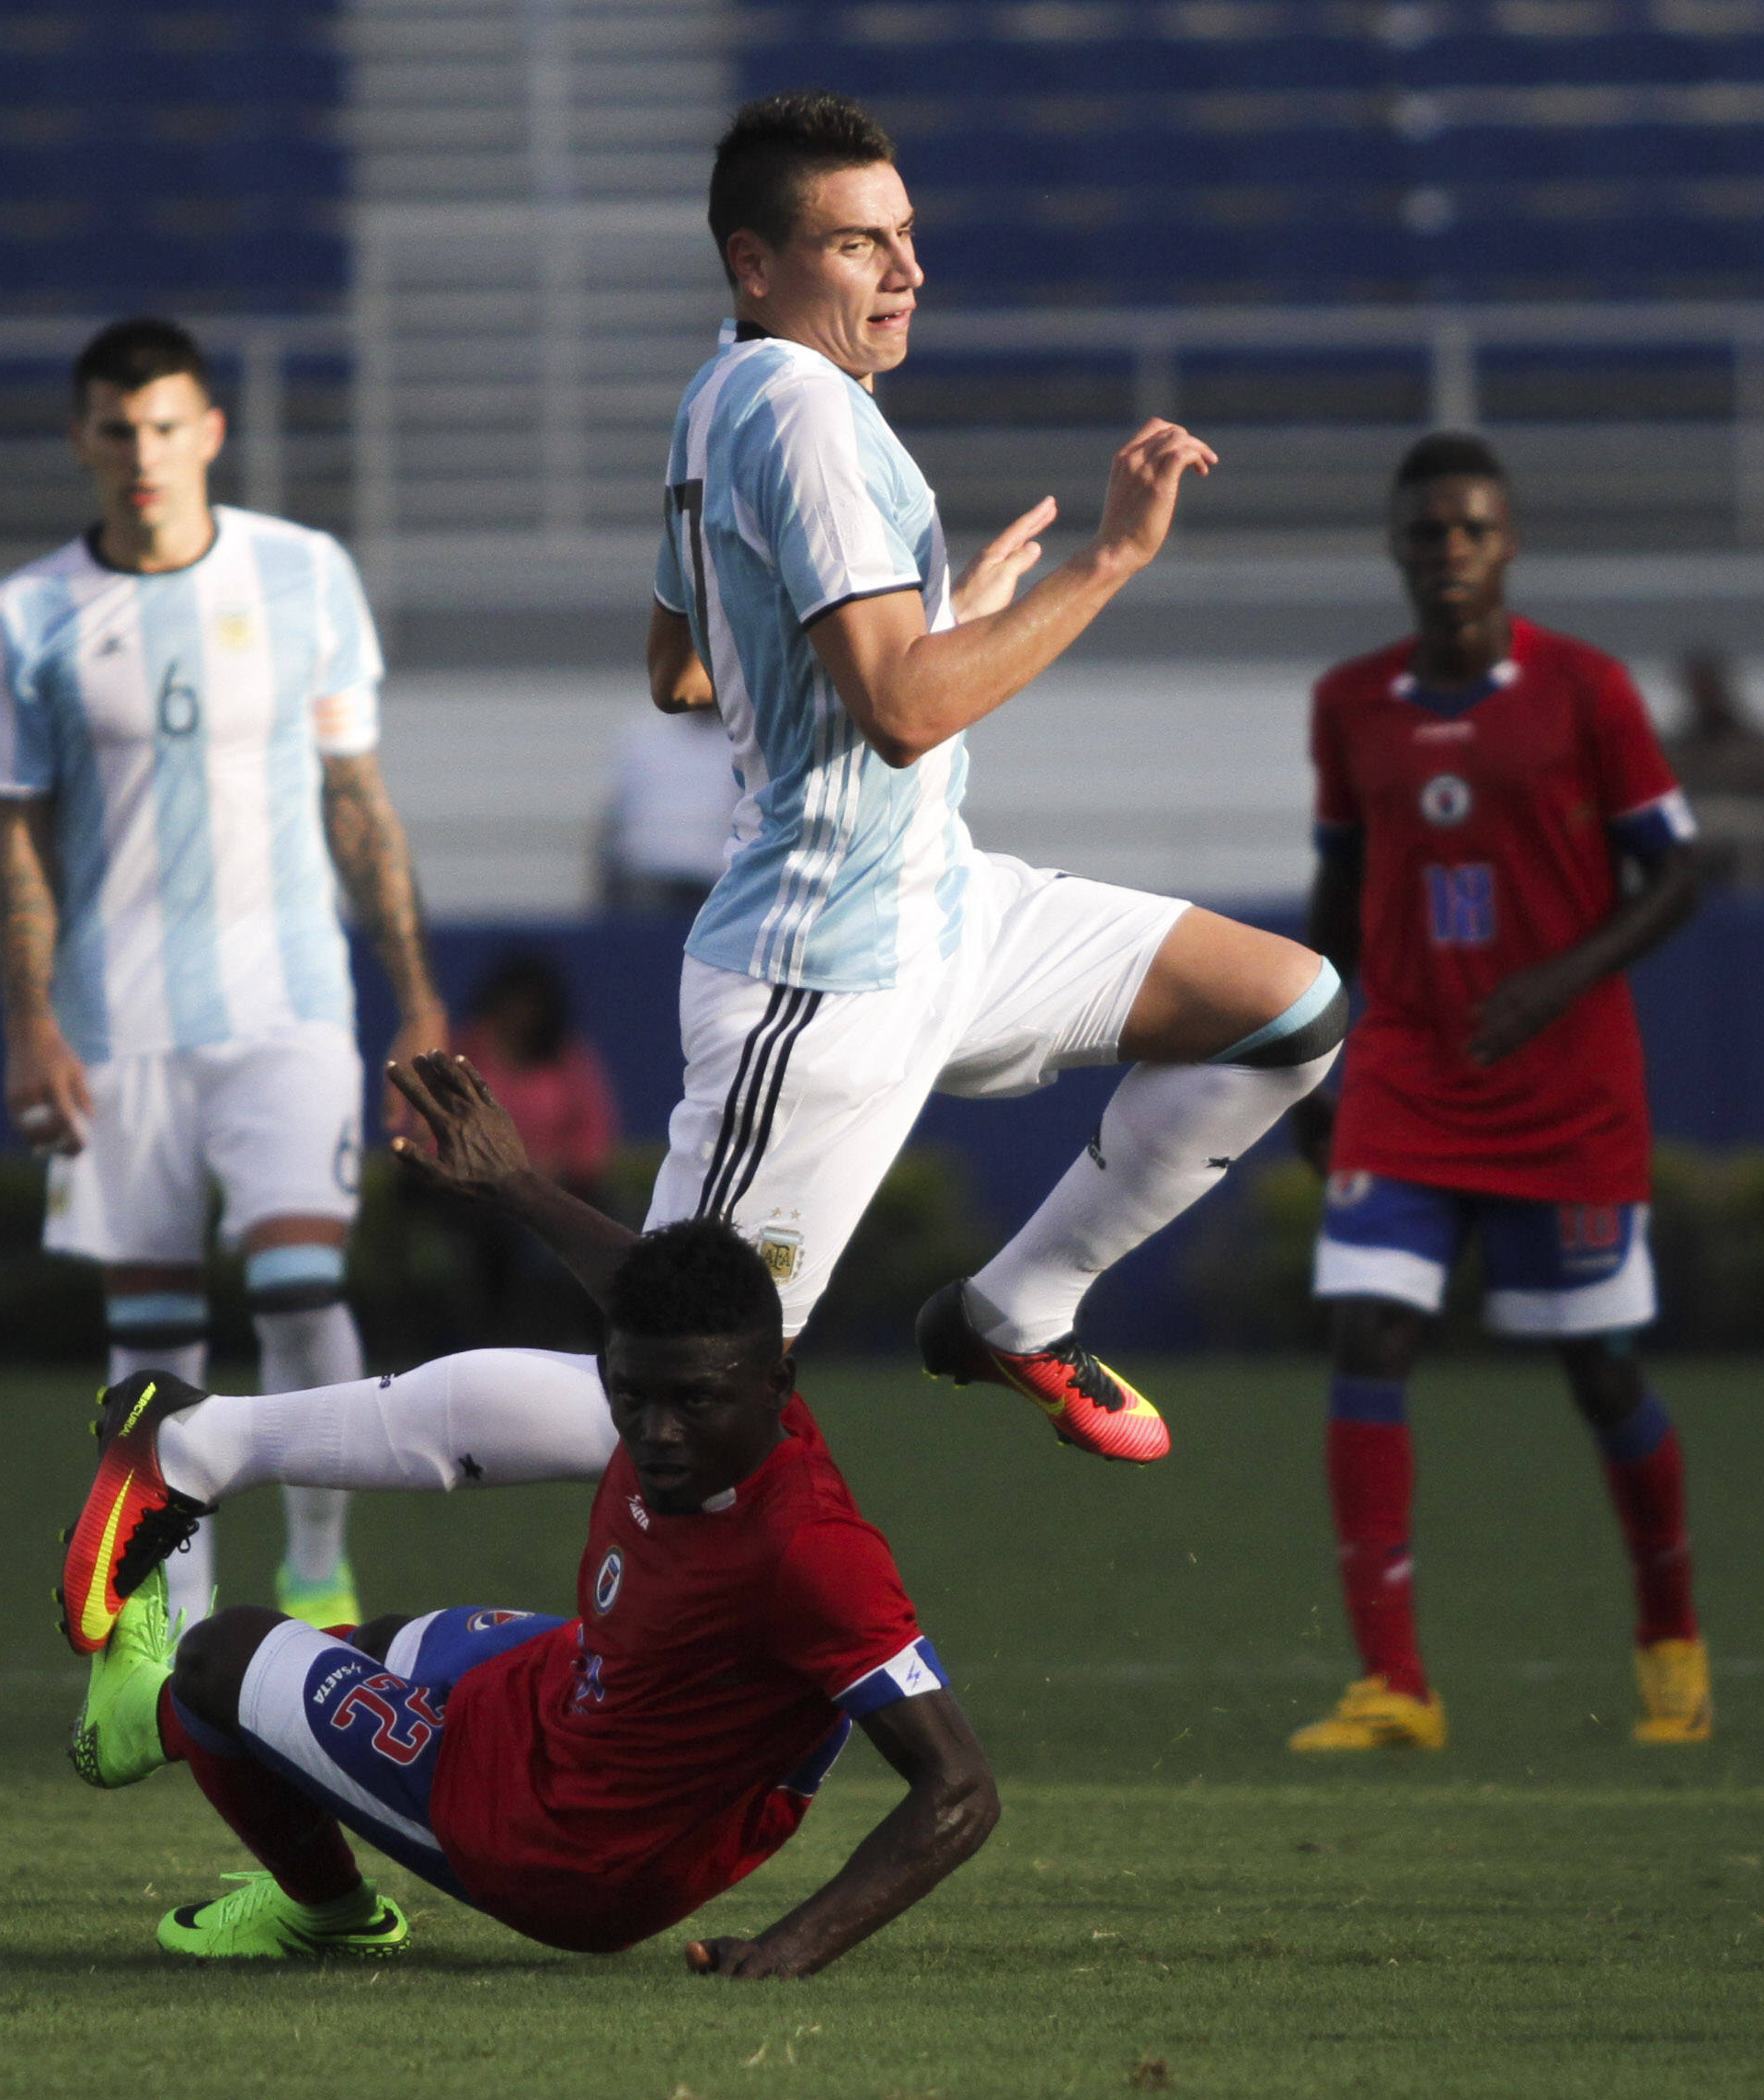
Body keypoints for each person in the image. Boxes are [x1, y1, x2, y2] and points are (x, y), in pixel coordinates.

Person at [643, 90, 1345, 1464]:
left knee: (1287, 1008)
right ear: (754, 263)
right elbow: (905, 712)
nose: (907, 270)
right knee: (677, 1378)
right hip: (824, 967)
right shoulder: (805, 414)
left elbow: (683, 666)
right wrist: (1109, 560)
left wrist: (942, 623)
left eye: (906, 234)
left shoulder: (721, 388)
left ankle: (1016, 1309)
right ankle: (225, 1445)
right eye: (859, 244)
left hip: (941, 908)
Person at [52, 1051, 997, 1978]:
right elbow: (643, 1301)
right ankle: (209, 1478)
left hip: (554, 1846)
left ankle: (315, 1899)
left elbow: (960, 1789)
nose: (656, 1433)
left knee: (218, 1656)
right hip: (578, 1694)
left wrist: (789, 1949)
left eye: (693, 1404)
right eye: (631, 1396)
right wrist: (514, 1185)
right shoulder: (713, 1376)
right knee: (373, 1646)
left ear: (773, 1387)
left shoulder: (810, 1550)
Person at [0, 316, 452, 1641]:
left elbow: (356, 797)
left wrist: (415, 995)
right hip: (114, 1022)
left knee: (299, 1286)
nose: (143, 454)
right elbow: (15, 836)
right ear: (81, 440)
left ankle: (318, 1564)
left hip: (287, 1005)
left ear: (210, 432)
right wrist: (29, 1022)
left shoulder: (304, 574)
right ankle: (177, 1616)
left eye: (166, 426)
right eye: (118, 430)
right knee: (152, 1334)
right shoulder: (29, 613)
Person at [1283, 431, 1713, 1754]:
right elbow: (1339, 893)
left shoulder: (1586, 690)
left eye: (1473, 528)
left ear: (1508, 543)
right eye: (1428, 531)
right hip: (1409, 1069)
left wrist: (1557, 980)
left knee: (1599, 1368)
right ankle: (1395, 1684)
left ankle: (1670, 1641)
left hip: (1565, 1084)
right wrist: (1304, 1056)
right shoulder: (1350, 702)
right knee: (1366, 1334)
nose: (1450, 550)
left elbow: (1678, 874)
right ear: (1396, 547)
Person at [435, 949, 623, 1343]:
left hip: (559, 1186)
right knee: (507, 1234)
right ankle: (505, 1340)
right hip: (478, 1192)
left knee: (591, 1224)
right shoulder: (464, 1053)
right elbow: (437, 1126)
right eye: (514, 1003)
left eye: (532, 1005)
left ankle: (598, 1335)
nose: (522, 1014)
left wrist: (559, 1168)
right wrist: (496, 1170)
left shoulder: (567, 1057)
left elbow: (594, 1134)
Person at [1663, 646, 1764, 894]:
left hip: (1748, 828)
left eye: (1710, 684)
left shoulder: (1759, 742)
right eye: (1698, 685)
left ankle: (1754, 908)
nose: (1705, 692)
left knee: (1755, 836)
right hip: (1694, 827)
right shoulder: (1671, 747)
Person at [600, 704, 741, 914]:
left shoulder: (744, 743)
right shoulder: (643, 736)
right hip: (649, 880)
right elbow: (615, 815)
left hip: (716, 883)